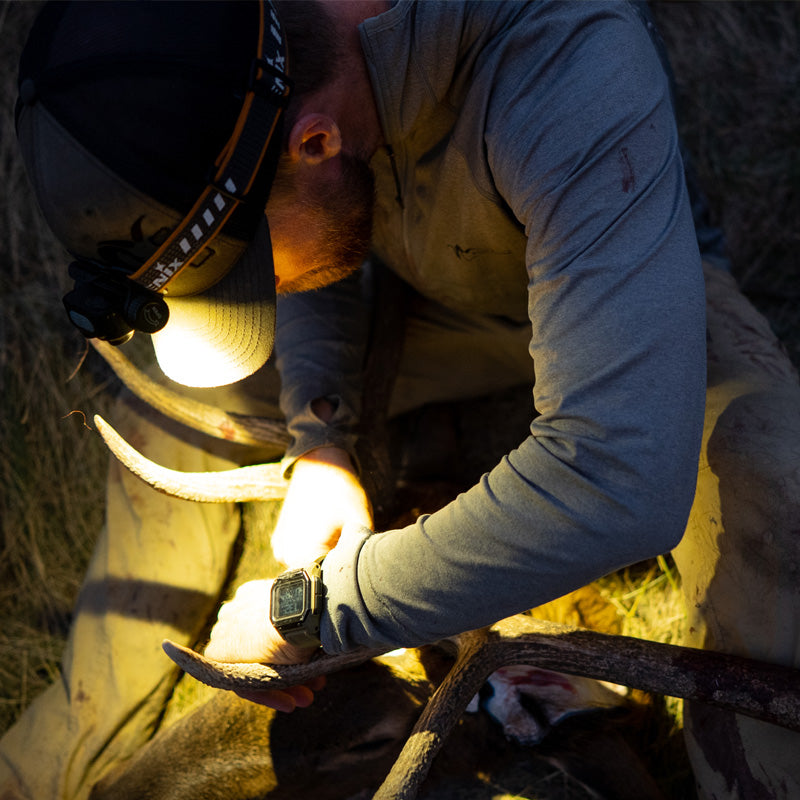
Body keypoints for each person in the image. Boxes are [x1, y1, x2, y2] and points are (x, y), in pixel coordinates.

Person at [2, 1, 798, 799]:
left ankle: (750, 774)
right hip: (438, 292)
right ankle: (51, 770)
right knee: (171, 408)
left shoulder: (567, 63)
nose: (268, 295)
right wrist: (318, 434)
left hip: (627, 295)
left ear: (316, 138)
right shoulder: (268, 52)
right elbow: (312, 230)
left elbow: (621, 474)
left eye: (255, 277)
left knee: (765, 467)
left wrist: (307, 609)